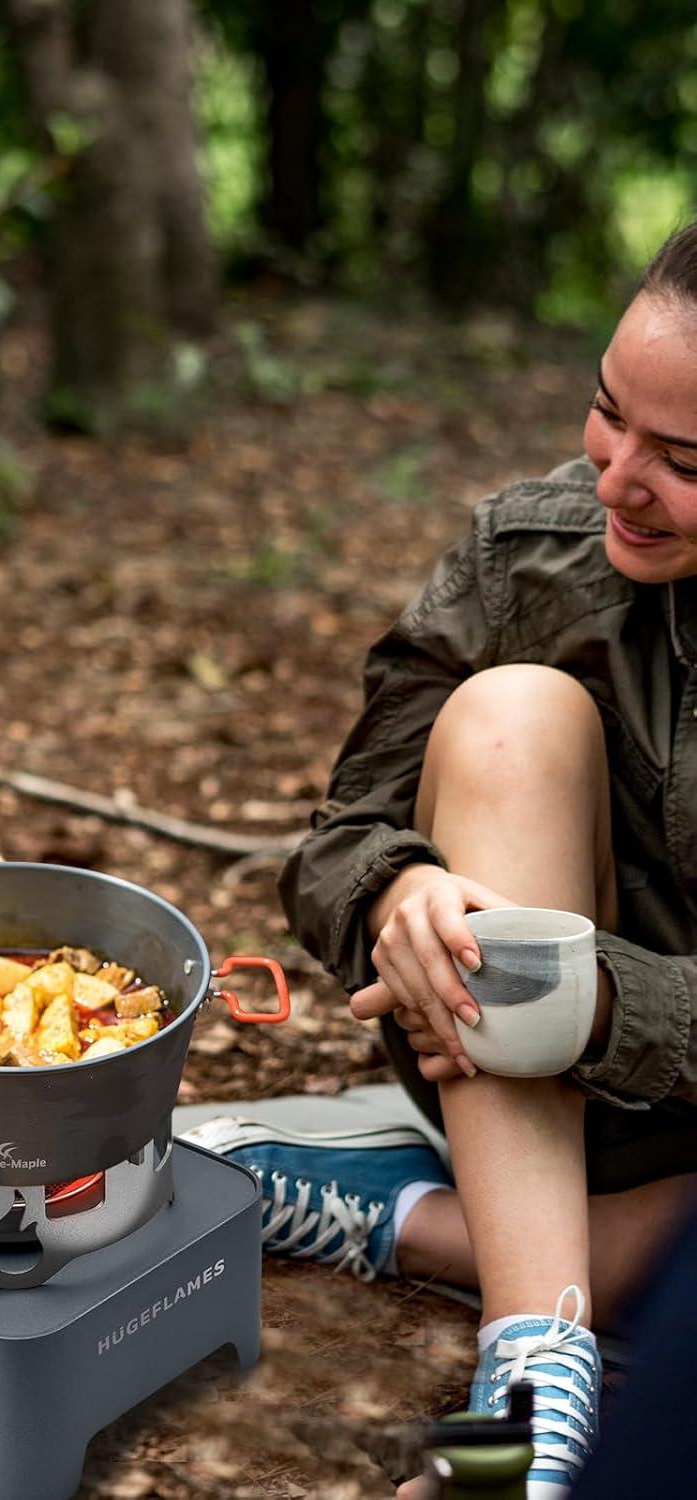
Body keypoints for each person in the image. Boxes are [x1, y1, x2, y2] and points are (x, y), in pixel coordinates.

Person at [189, 222, 697, 1499]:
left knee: (665, 1272)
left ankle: (396, 1213)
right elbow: (340, 836)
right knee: (511, 711)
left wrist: (604, 1003)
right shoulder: (533, 552)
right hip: (501, 1071)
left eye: (682, 460)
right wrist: (398, 890)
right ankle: (530, 1381)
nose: (616, 478)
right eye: (604, 412)